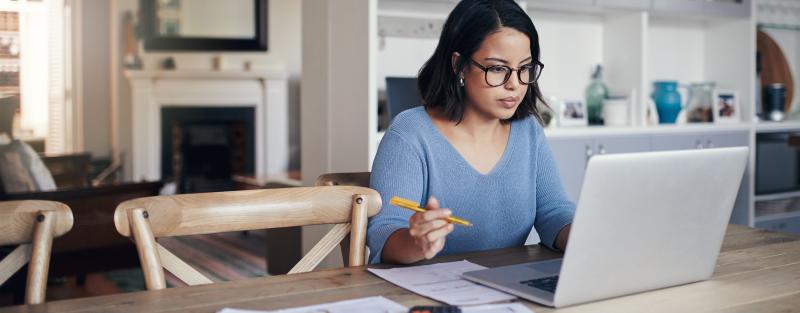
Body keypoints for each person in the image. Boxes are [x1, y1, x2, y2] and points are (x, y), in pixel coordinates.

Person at [368, 0, 575, 264]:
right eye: (498, 69)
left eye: (524, 68)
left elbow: (553, 212)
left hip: (505, 289)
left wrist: (587, 237)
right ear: (460, 65)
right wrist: (415, 242)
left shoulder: (528, 132)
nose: (514, 84)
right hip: (426, 297)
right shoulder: (410, 133)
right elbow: (383, 233)